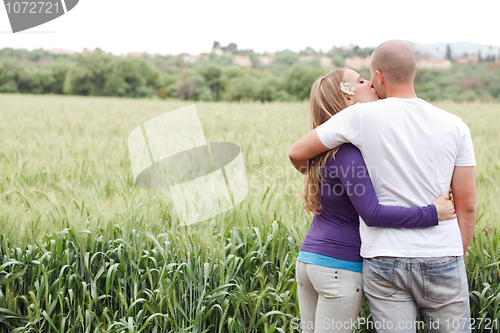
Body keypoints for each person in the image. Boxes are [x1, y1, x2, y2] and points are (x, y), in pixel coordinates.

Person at [289, 40, 477, 333]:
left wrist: (318, 173)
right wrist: (448, 240)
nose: (370, 85)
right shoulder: (455, 126)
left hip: (365, 257)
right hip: (428, 254)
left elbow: (297, 152)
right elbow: (466, 205)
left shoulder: (351, 128)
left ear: (379, 76)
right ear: (413, 72)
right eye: (360, 81)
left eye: (367, 77)